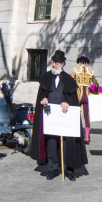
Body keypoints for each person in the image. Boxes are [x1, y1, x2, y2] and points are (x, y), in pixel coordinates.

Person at [33, 50, 88, 180]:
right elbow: (42, 96)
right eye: (53, 61)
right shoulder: (46, 77)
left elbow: (73, 100)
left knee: (68, 144)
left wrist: (67, 102)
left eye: (56, 62)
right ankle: (52, 168)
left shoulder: (69, 79)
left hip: (65, 118)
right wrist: (43, 100)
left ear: (62, 64)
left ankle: (69, 170)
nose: (53, 64)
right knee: (51, 143)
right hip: (51, 117)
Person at [71, 55, 101, 144]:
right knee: (84, 116)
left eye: (83, 62)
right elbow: (96, 84)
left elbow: (70, 81)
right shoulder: (90, 72)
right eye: (82, 62)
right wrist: (93, 89)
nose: (82, 64)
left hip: (79, 96)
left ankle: (79, 134)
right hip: (85, 96)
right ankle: (85, 136)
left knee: (78, 115)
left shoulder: (76, 71)